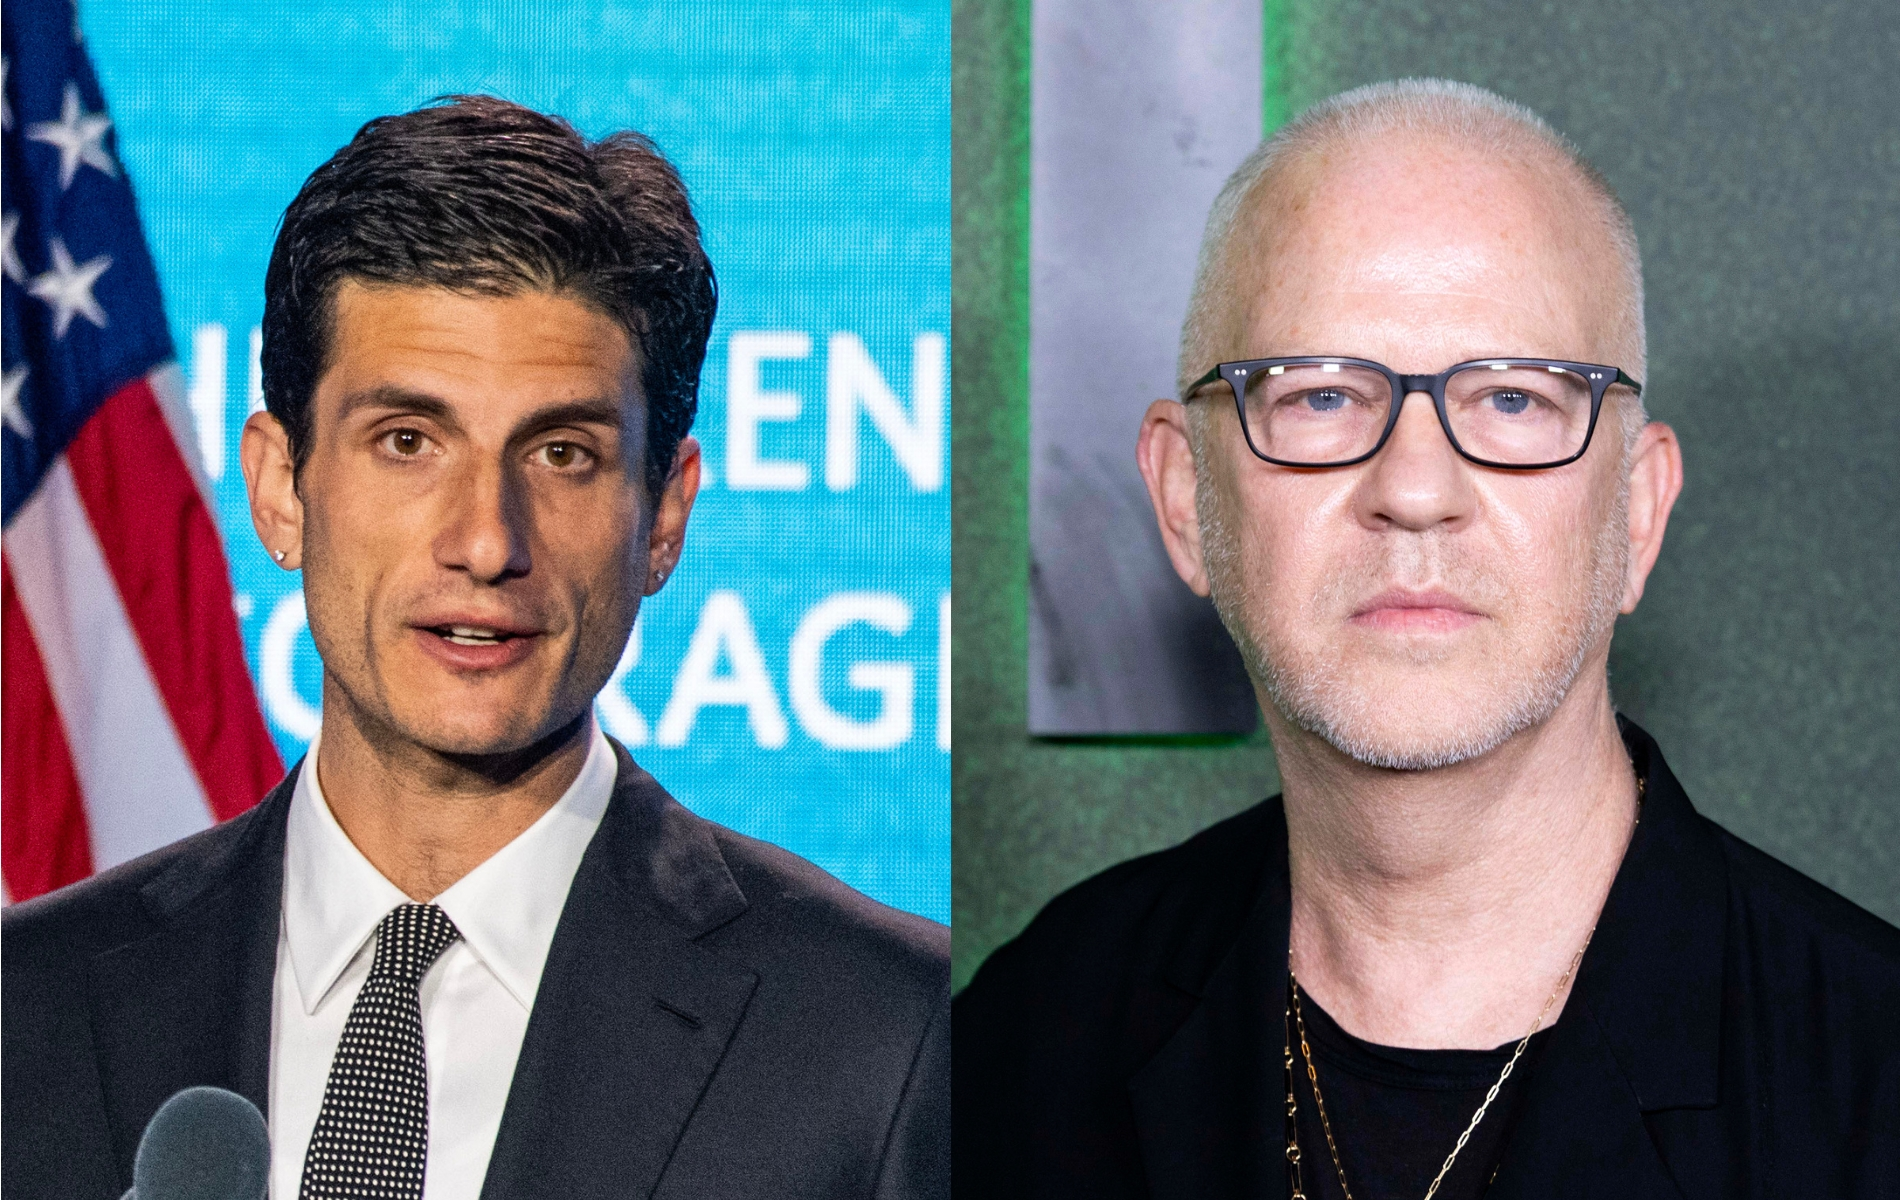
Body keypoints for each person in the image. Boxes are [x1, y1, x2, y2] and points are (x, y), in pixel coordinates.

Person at [954, 79, 1900, 1197]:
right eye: (1316, 397)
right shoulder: (1021, 1044)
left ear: (1636, 515)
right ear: (1182, 500)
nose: (1413, 487)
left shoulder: (1869, 1086)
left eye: (1512, 400)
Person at [4, 96, 948, 1200]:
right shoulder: (29, 1013)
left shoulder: (890, 1041)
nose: (486, 541)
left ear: (665, 515)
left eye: (561, 454)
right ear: (278, 488)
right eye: (408, 442)